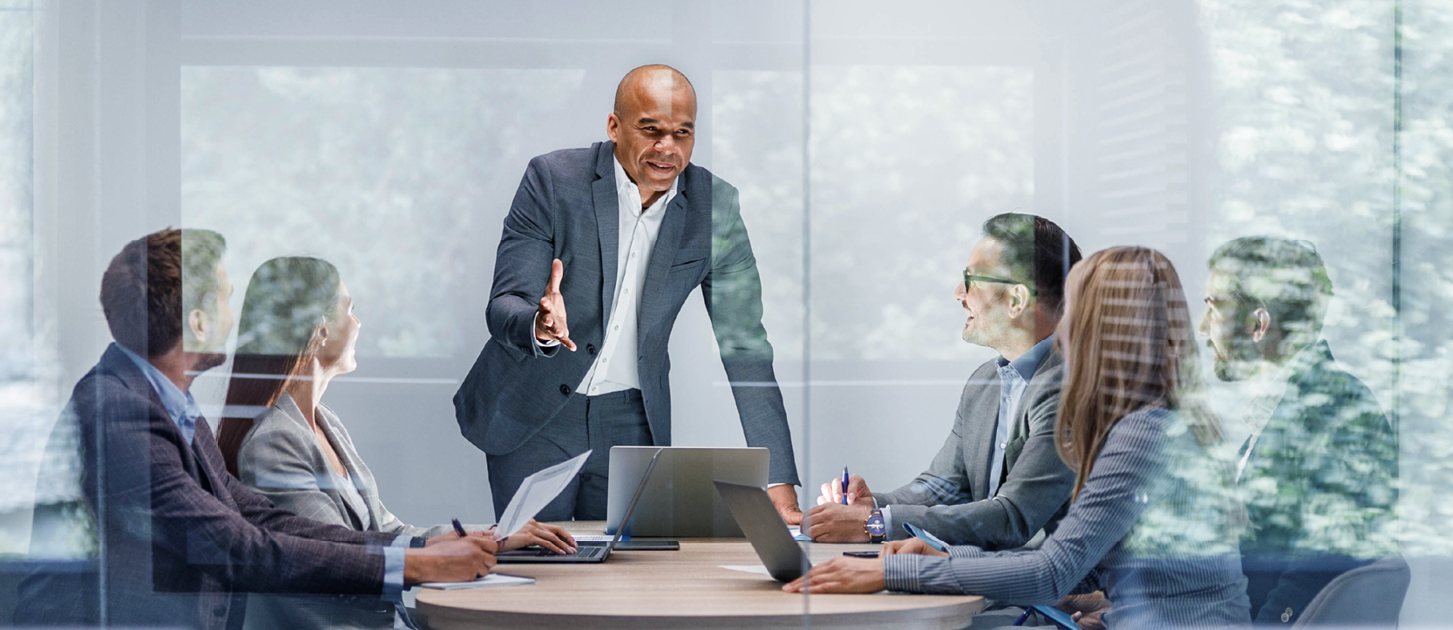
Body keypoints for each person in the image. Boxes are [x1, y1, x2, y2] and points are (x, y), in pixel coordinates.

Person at [15, 229, 497, 630]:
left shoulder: (164, 402)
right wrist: (414, 565)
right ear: (198, 322)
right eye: (225, 300)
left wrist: (418, 549)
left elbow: (263, 520)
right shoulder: (120, 414)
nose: (238, 320)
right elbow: (236, 547)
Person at [786, 247, 1251, 630]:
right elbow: (1088, 561)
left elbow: (1051, 570)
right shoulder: (1161, 419)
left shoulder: (1142, 433)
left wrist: (889, 570)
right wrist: (949, 554)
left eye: (1074, 312)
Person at [454, 64, 802, 522]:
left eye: (683, 133)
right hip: (535, 412)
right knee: (542, 569)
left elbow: (745, 347)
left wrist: (778, 478)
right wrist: (538, 325)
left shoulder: (715, 209)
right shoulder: (554, 180)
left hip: (632, 423)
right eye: (651, 130)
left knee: (628, 579)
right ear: (614, 126)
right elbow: (506, 303)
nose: (667, 148)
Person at [215, 256, 578, 629]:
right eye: (349, 309)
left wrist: (492, 536)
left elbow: (388, 533)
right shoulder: (275, 442)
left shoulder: (326, 423)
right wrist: (450, 556)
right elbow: (338, 559)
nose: (357, 323)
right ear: (319, 330)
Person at [803, 214, 1081, 552]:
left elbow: (1013, 519)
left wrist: (876, 524)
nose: (958, 293)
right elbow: (941, 487)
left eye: (971, 279)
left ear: (1016, 301)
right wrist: (871, 506)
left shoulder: (1071, 387)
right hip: (982, 583)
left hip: (1051, 597)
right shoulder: (984, 383)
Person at [1200, 237, 1397, 626]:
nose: (1204, 328)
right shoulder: (1291, 407)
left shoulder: (1334, 410)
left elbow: (1319, 570)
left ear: (1258, 324)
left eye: (1214, 307)